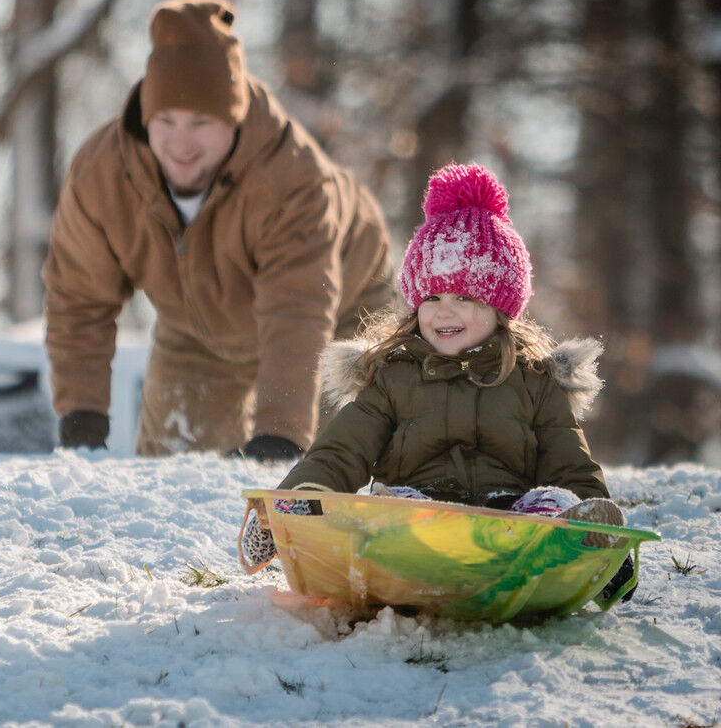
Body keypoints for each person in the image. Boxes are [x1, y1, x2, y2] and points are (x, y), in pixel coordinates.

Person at [240, 163, 635, 601]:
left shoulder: (535, 381)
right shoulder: (392, 377)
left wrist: (594, 526)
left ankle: (594, 550)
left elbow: (570, 464)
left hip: (507, 528)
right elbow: (341, 451)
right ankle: (290, 519)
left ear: (501, 305)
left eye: (464, 297)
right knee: (386, 507)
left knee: (552, 503)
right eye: (432, 297)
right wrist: (296, 500)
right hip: (413, 522)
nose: (444, 312)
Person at [42, 0, 392, 459]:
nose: (180, 144)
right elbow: (79, 297)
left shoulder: (292, 177)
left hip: (339, 315)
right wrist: (82, 413)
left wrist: (279, 435)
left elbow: (297, 311)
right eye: (165, 121)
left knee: (329, 473)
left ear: (235, 118)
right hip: (195, 330)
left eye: (201, 123)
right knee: (170, 475)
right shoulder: (102, 173)